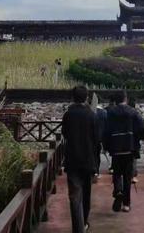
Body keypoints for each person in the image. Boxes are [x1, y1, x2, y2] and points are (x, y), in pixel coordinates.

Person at [62, 85, 99, 233]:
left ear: (73, 97)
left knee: (74, 196)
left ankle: (78, 228)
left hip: (72, 160)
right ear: (86, 98)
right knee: (86, 194)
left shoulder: (68, 115)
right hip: (88, 160)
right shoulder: (92, 115)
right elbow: (97, 139)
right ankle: (83, 223)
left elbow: (64, 133)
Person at [104, 90, 144, 213]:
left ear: (115, 100)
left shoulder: (110, 112)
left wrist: (106, 145)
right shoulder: (133, 112)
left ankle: (118, 191)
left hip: (116, 148)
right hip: (129, 147)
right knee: (128, 176)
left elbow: (106, 130)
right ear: (126, 99)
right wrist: (137, 140)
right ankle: (126, 204)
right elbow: (141, 128)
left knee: (117, 173)